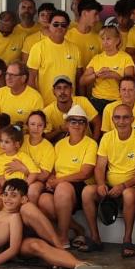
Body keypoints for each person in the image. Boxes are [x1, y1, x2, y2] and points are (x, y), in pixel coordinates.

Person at [83, 104, 135, 254]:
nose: (121, 121)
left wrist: (123, 186)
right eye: (117, 117)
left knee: (128, 195)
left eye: (125, 117)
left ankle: (127, 240)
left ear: (132, 119)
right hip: (110, 187)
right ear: (112, 120)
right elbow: (99, 167)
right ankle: (95, 238)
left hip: (131, 187)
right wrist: (101, 184)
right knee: (87, 192)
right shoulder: (107, 138)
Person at [41, 105, 98, 250]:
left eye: (81, 121)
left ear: (86, 125)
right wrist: (50, 180)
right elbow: (53, 170)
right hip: (60, 184)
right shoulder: (59, 145)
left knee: (62, 188)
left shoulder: (91, 144)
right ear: (67, 124)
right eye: (73, 121)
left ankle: (63, 236)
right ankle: (78, 229)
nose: (77, 125)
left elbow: (85, 173)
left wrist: (58, 181)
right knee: (43, 200)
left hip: (79, 185)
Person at [27, 10, 82, 105]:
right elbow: (31, 79)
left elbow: (79, 79)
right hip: (45, 105)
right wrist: (37, 102)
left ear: (67, 27)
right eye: (56, 24)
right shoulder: (38, 48)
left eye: (63, 25)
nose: (59, 27)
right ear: (49, 25)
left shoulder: (75, 49)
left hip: (70, 105)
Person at [83, 20, 134, 114]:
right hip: (96, 100)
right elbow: (82, 81)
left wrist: (115, 75)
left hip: (117, 101)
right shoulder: (96, 58)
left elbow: (130, 84)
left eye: (108, 39)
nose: (105, 42)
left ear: (117, 40)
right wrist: (96, 75)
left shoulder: (126, 58)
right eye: (103, 39)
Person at [42, 75, 97, 139]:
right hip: (63, 144)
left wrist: (94, 142)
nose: (62, 91)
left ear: (71, 89)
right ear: (53, 91)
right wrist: (60, 130)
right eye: (59, 88)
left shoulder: (83, 101)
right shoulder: (47, 112)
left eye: (66, 87)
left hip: (87, 142)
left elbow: (97, 123)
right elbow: (43, 137)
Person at [0, 61, 45, 125]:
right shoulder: (0, 92)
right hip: (4, 130)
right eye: (7, 74)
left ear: (23, 78)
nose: (8, 78)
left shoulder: (36, 98)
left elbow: (37, 125)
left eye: (12, 75)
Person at [23, 111, 57, 202]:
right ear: (27, 125)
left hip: (37, 181)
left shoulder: (48, 147)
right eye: (32, 124)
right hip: (18, 176)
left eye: (40, 125)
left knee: (32, 190)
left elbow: (43, 176)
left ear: (44, 127)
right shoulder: (22, 140)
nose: (36, 128)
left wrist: (23, 169)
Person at [67, 0, 103, 68]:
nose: (98, 18)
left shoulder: (99, 39)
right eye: (95, 14)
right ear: (84, 13)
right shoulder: (67, 37)